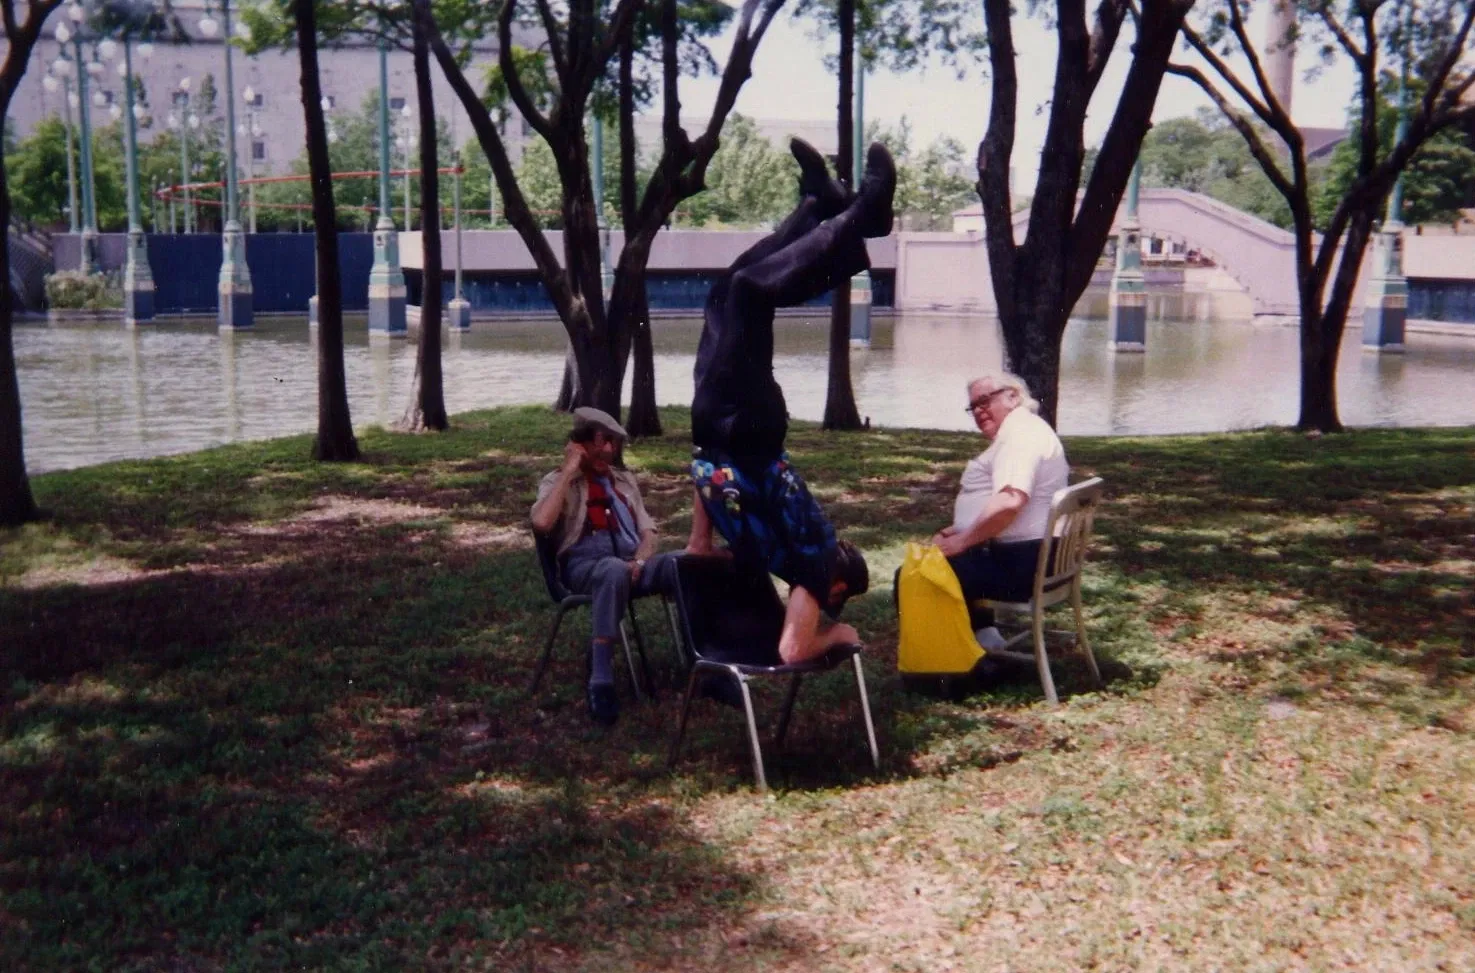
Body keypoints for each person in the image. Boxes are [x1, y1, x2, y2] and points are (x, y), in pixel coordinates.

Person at [684, 139, 895, 664]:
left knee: (728, 291)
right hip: (743, 427)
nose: (839, 548)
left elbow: (792, 650)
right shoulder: (809, 556)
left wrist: (698, 542)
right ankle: (859, 215)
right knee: (748, 294)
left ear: (839, 591)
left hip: (725, 432)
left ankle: (817, 205)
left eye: (845, 559)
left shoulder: (816, 572)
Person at [530, 407, 681, 726]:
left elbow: (648, 531)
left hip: (633, 563)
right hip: (587, 568)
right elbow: (541, 522)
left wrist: (641, 560)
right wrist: (570, 470)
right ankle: (600, 680)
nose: (610, 450)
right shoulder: (558, 482)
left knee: (685, 564)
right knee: (613, 569)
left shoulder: (624, 482)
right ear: (581, 443)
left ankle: (702, 663)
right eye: (602, 441)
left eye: (614, 442)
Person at [931, 373, 1069, 648]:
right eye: (974, 406)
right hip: (1038, 557)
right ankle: (985, 640)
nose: (979, 411)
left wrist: (962, 540)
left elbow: (1010, 502)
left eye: (985, 400)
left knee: (918, 572)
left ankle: (948, 665)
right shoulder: (1026, 429)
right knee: (961, 556)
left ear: (1013, 396)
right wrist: (960, 531)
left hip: (1024, 566)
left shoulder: (1019, 437)